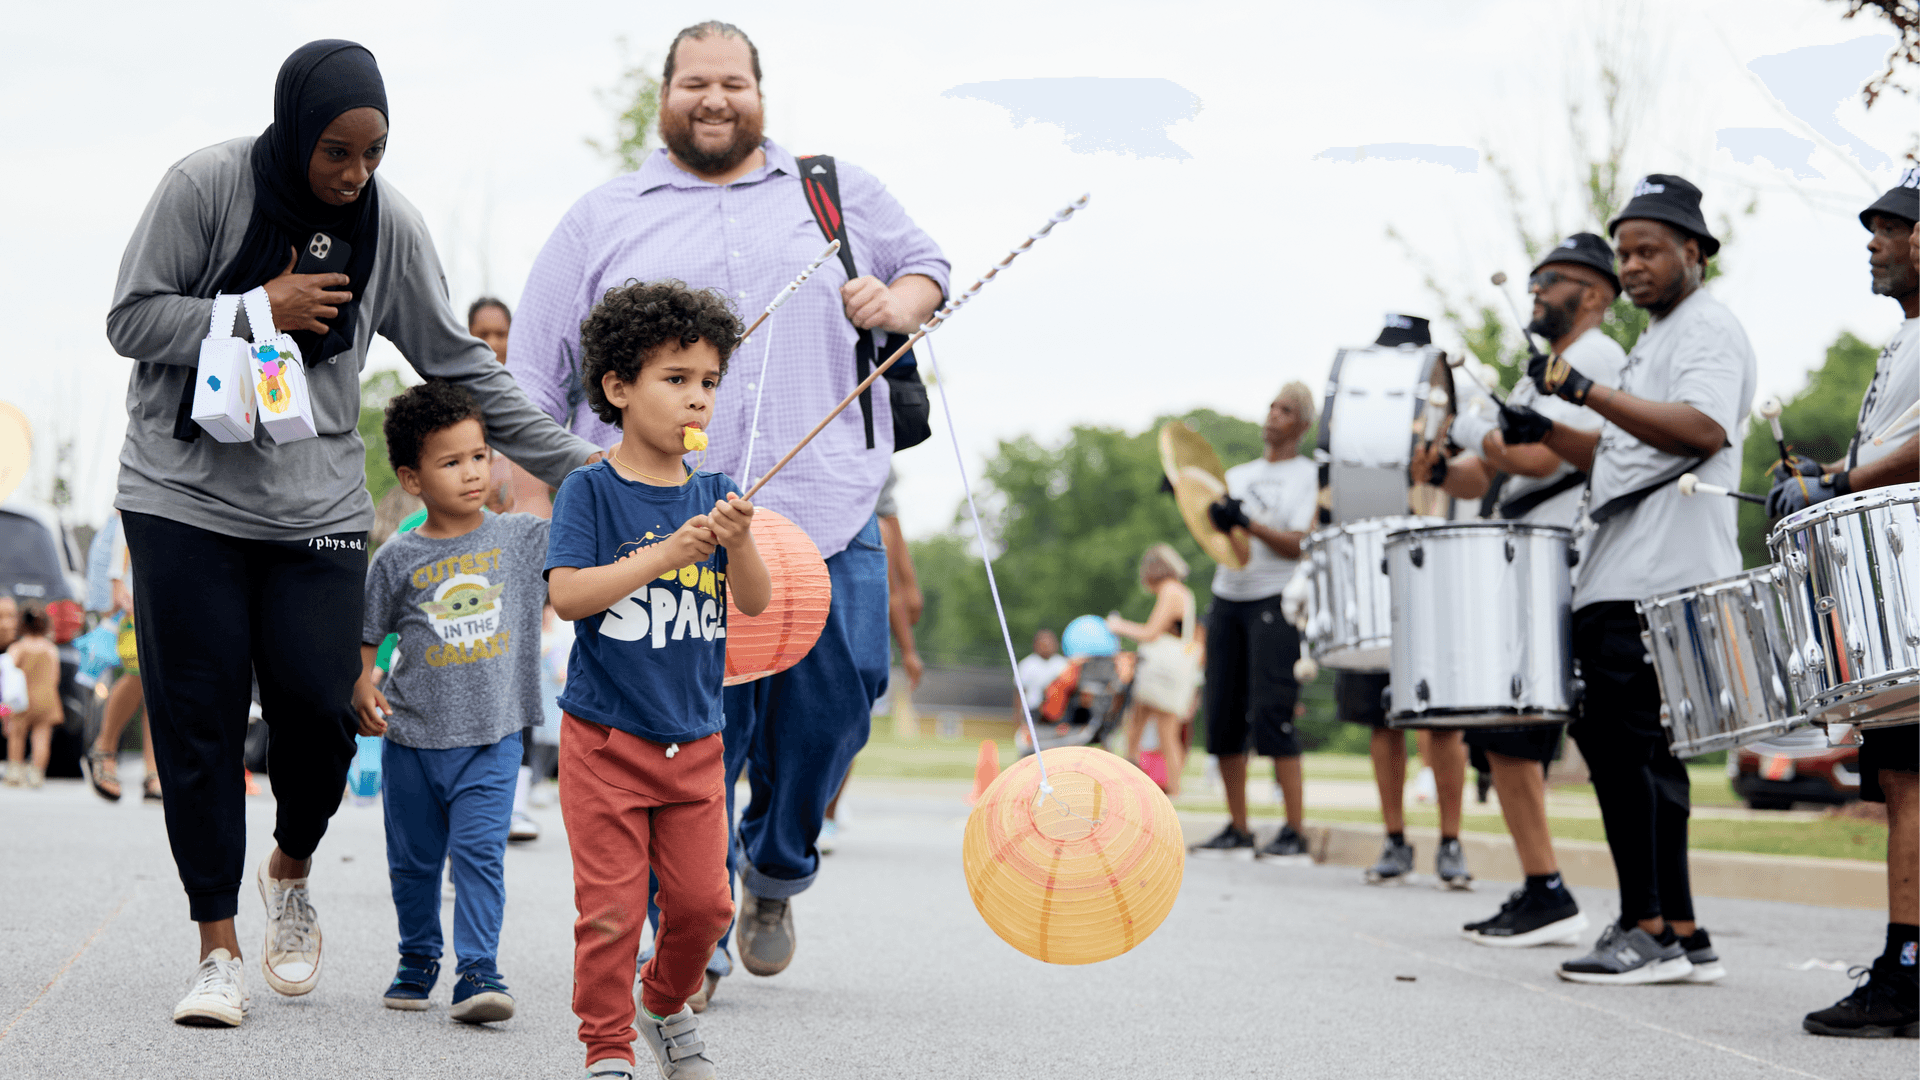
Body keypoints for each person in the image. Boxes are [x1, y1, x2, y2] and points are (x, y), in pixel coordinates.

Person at [105, 40, 599, 1028]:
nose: (354, 172)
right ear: (293, 133)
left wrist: (583, 467)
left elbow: (458, 364)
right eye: (337, 151)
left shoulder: (387, 224)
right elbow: (130, 318)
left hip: (315, 510)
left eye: (373, 152)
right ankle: (216, 951)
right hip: (181, 498)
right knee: (197, 725)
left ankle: (287, 867)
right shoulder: (204, 187)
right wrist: (253, 311)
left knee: (322, 714)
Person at [509, 19, 947, 992]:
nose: (716, 99)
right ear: (666, 95)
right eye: (695, 82)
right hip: (665, 531)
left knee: (843, 704)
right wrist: (560, 513)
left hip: (829, 511)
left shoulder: (832, 192)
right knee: (691, 733)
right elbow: (530, 381)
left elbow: (930, 269)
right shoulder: (602, 216)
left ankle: (777, 866)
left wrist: (897, 304)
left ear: (761, 92)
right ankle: (686, 934)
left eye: (734, 83)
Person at [1501, 174, 1752, 985]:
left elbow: (1703, 429)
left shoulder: (1706, 328)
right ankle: (1681, 927)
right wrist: (1549, 426)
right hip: (1628, 567)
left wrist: (1588, 391)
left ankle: (1644, 929)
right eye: (1625, 251)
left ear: (1695, 251)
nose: (1634, 265)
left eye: (1649, 250)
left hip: (1654, 573)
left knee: (1623, 755)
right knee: (1650, 759)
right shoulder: (1659, 338)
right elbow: (1623, 454)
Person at [544, 279, 770, 1080]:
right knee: (609, 913)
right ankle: (607, 1049)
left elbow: (755, 601)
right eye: (676, 380)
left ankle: (664, 1002)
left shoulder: (716, 495)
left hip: (696, 743)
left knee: (708, 906)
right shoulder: (590, 489)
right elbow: (567, 593)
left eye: (709, 382)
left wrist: (737, 542)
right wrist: (667, 554)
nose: (696, 400)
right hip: (606, 741)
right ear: (617, 387)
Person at [1412, 232, 1627, 945]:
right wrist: (1442, 464)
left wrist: (1474, 425)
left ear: (1593, 294)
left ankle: (1568, 894)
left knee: (1520, 729)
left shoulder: (1593, 359)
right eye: (1532, 280)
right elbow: (1489, 474)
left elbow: (1536, 460)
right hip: (1524, 552)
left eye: (1552, 280)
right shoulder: (1549, 368)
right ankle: (1545, 888)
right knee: (1505, 733)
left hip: (1556, 554)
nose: (1535, 290)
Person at [352, 381, 553, 1023]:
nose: (472, 472)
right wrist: (362, 683)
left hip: (493, 741)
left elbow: (590, 524)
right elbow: (369, 637)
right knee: (412, 867)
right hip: (411, 741)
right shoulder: (397, 558)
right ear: (412, 479)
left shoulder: (523, 540)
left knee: (478, 859)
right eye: (451, 461)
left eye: (480, 454)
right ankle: (418, 956)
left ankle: (478, 970)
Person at [1789, 172, 1917, 1038]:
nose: (1874, 240)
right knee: (1905, 780)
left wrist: (1841, 480)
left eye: (1893, 227)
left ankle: (1906, 974)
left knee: (1913, 783)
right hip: (1900, 596)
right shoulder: (1903, 343)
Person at [1331, 316, 1472, 889]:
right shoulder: (1355, 413)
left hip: (1437, 566)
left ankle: (1451, 841)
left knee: (1441, 720)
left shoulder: (1450, 406)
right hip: (1372, 567)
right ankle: (1395, 839)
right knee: (1379, 717)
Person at [1188, 383, 1317, 860]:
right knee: (1221, 714)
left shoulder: (1308, 476)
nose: (1272, 417)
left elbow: (1302, 543)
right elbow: (1217, 534)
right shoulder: (1238, 475)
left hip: (1276, 598)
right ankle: (1238, 827)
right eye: (1271, 407)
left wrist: (1250, 525)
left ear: (1301, 425)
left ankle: (1293, 830)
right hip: (1228, 596)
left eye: (1285, 411)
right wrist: (1197, 503)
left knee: (1272, 714)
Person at [1108, 544, 1199, 797]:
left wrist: (1118, 625)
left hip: (1161, 672)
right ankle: (1173, 787)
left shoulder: (1171, 591)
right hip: (1175, 671)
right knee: (1165, 732)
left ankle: (1130, 779)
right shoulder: (1183, 592)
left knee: (1136, 727)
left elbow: (1150, 633)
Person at [83, 512, 162, 801]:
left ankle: (153, 769)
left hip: (164, 575)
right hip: (130, 577)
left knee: (159, 681)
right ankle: (104, 748)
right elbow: (128, 507)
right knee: (139, 671)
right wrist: (117, 580)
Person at [3, 602, 60, 788]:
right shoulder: (50, 648)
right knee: (41, 737)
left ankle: (14, 770)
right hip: (46, 699)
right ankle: (36, 773)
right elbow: (55, 676)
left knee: (16, 735)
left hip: (22, 700)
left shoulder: (18, 648)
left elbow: (8, 674)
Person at [1015, 629, 1069, 725]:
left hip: (1057, 713)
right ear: (1036, 645)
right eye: (1043, 644)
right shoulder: (1027, 664)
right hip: (1032, 711)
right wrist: (1018, 716)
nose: (1047, 647)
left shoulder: (1063, 664)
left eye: (1050, 644)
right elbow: (1020, 692)